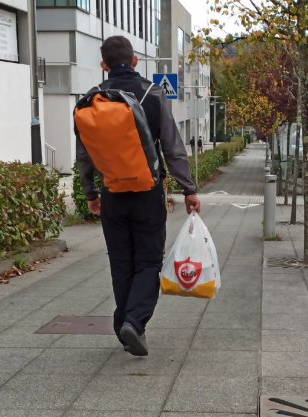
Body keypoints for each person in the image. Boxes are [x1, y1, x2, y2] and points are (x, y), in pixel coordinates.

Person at [77, 36, 201, 357]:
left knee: (121, 262)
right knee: (148, 262)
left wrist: (91, 193)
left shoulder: (92, 101)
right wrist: (188, 189)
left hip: (112, 195)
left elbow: (85, 154)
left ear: (104, 65)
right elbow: (173, 148)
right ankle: (133, 320)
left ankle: (126, 324)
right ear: (134, 61)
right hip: (147, 193)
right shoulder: (152, 94)